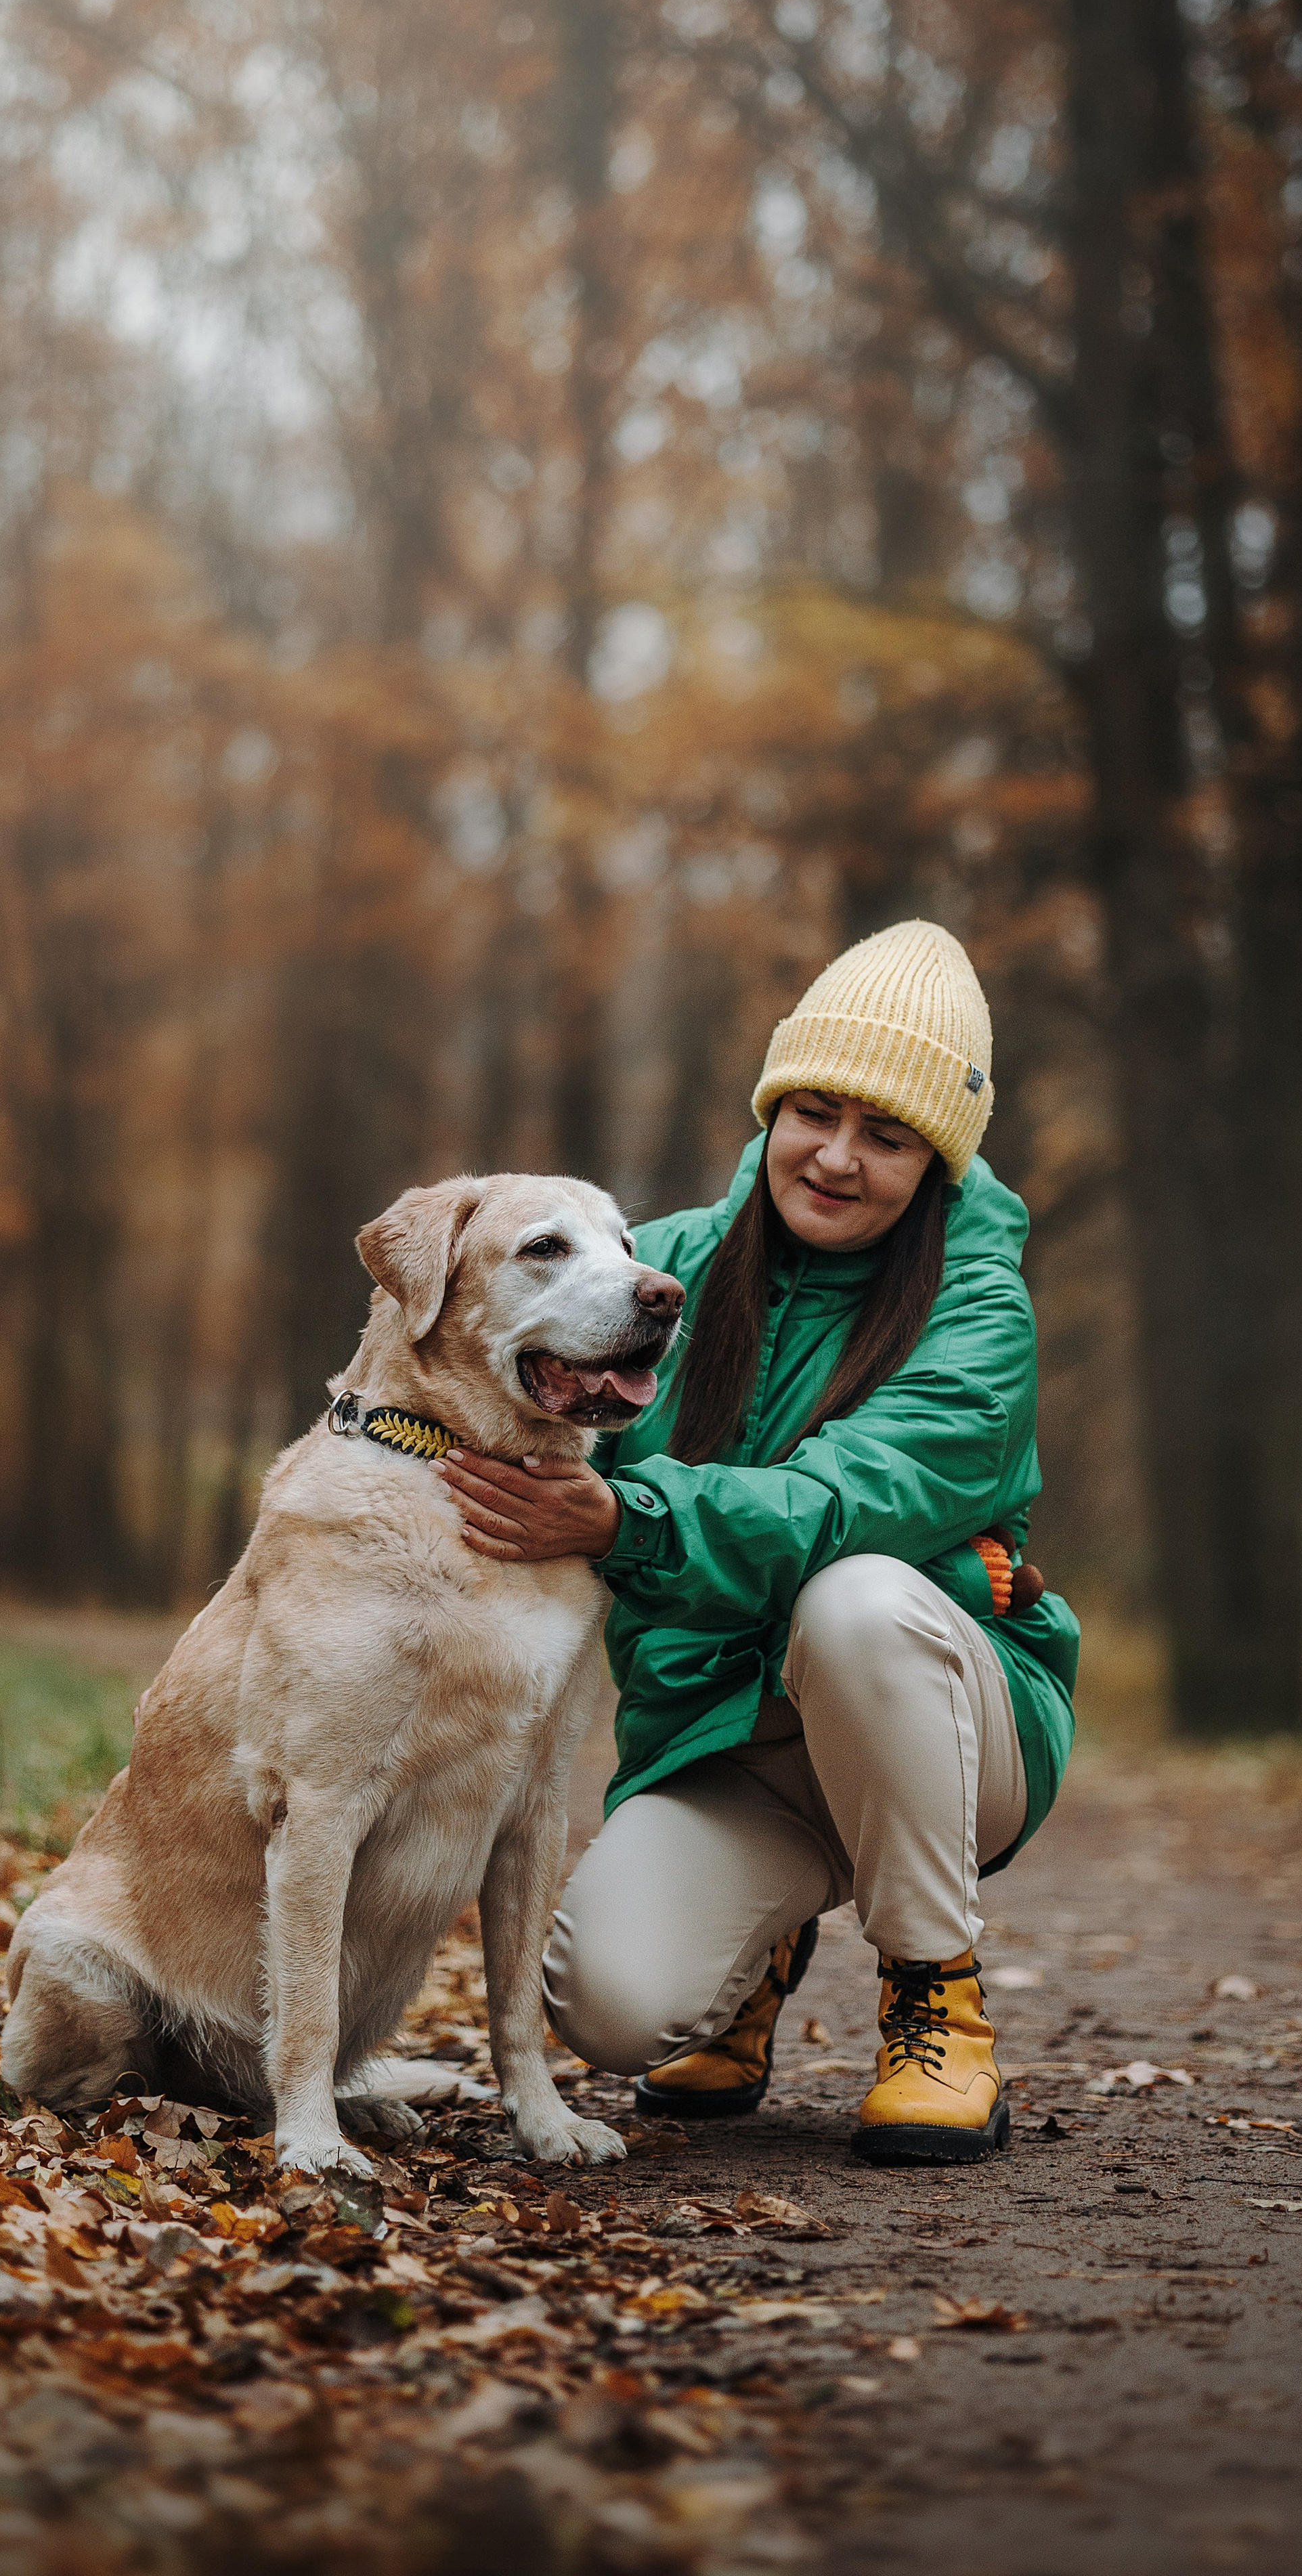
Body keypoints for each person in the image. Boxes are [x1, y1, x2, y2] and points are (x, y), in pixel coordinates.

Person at [435, 919, 1079, 2162]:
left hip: (951, 1735)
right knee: (611, 2008)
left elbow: (848, 1502)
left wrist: (629, 1520)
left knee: (860, 1600)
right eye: (814, 1113)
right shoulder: (660, 1269)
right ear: (772, 1110)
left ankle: (934, 2000)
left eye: (886, 1135)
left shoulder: (980, 1311)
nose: (836, 1157)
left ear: (935, 1161)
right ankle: (756, 1956)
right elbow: (501, 1412)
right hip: (730, 1745)